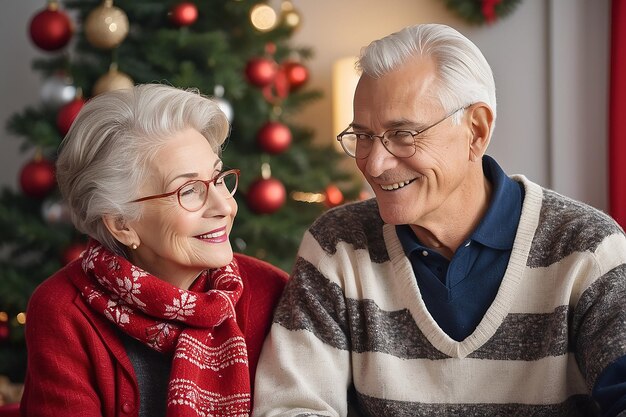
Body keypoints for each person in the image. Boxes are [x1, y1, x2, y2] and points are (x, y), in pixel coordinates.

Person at [252, 23, 626, 417]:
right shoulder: (337, 246)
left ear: (476, 131)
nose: (375, 164)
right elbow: (290, 407)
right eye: (363, 136)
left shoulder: (588, 249)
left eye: (402, 134)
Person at [20, 84, 288, 417]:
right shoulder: (63, 311)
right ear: (122, 224)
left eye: (218, 178)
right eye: (189, 190)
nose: (224, 206)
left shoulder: (272, 292)